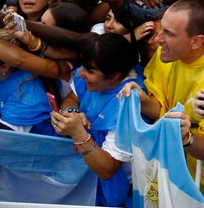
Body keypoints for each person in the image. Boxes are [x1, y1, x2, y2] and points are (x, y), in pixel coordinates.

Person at [119, 0, 204, 208]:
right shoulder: (167, 53)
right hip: (165, 164)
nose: (157, 39)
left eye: (170, 34)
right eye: (161, 29)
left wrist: (185, 136)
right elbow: (160, 107)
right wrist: (142, 99)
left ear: (196, 41)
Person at [51, 34, 142, 207]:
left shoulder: (128, 103)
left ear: (114, 76)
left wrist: (78, 133)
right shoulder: (89, 74)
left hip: (115, 195)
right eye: (82, 66)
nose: (81, 74)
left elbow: (107, 169)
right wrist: (72, 112)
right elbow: (73, 98)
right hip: (85, 182)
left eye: (90, 71)